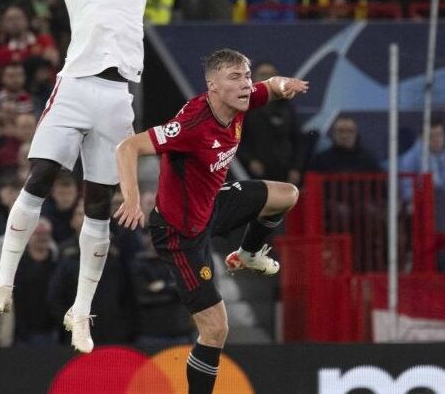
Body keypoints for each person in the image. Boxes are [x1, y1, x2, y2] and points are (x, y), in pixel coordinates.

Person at [0, 0, 277, 353]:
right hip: (74, 86)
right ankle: (4, 281)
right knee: (41, 177)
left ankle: (80, 312)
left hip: (115, 96)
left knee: (97, 206)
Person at [114, 48, 307, 394]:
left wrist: (286, 83)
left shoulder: (241, 100)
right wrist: (131, 198)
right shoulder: (191, 125)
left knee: (287, 195)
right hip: (180, 234)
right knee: (215, 330)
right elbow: (127, 147)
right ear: (212, 86)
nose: (247, 85)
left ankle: (248, 254)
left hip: (211, 205)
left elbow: (271, 86)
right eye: (236, 78)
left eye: (247, 76)